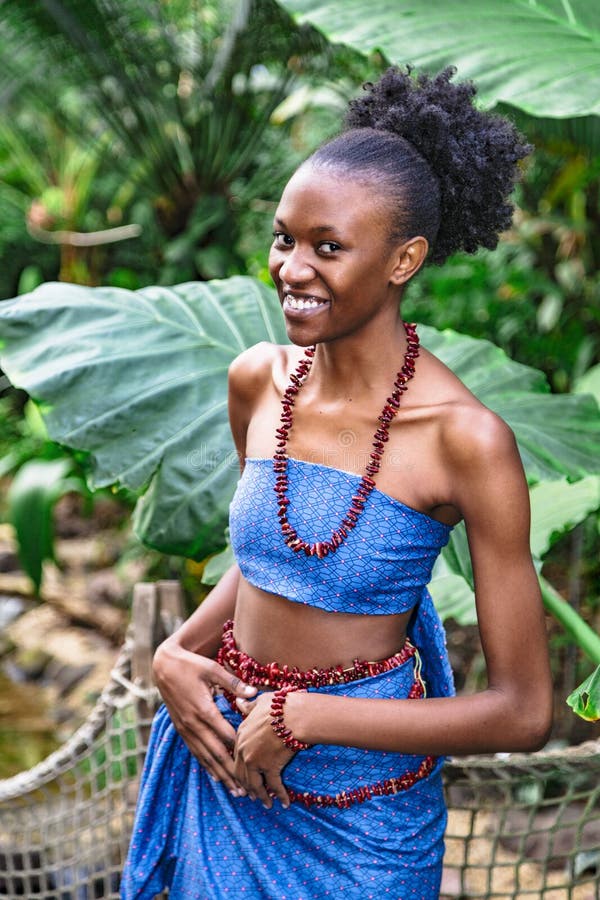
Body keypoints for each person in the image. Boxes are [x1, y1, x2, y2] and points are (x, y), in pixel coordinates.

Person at [121, 66, 553, 899]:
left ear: (405, 260)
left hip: (362, 825)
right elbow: (275, 558)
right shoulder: (256, 382)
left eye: (328, 246)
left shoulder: (467, 443)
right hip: (229, 775)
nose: (292, 267)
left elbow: (523, 712)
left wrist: (310, 717)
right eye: (285, 238)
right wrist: (178, 655)